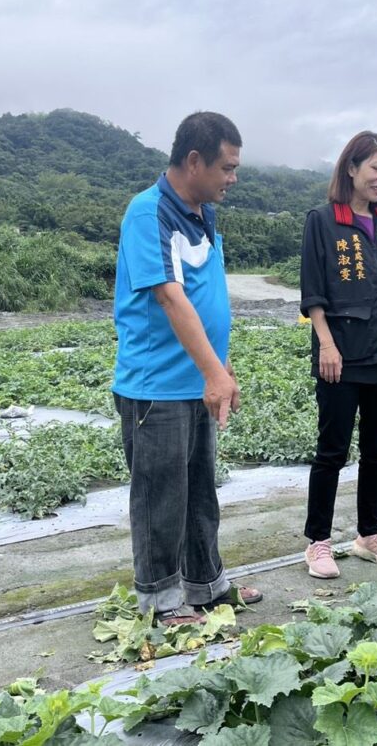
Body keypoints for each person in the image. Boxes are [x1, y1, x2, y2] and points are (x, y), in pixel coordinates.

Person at [112, 111, 261, 625]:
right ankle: (159, 601)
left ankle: (205, 585)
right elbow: (171, 298)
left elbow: (207, 298)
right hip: (156, 386)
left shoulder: (203, 214)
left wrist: (221, 370)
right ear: (194, 160)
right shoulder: (147, 212)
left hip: (197, 381)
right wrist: (214, 374)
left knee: (200, 489)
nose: (232, 178)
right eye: (227, 167)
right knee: (161, 495)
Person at [299, 131, 377, 579]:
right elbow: (313, 291)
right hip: (342, 355)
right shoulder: (323, 220)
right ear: (351, 168)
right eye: (376, 168)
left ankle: (369, 534)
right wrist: (326, 344)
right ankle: (318, 543)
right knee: (331, 451)